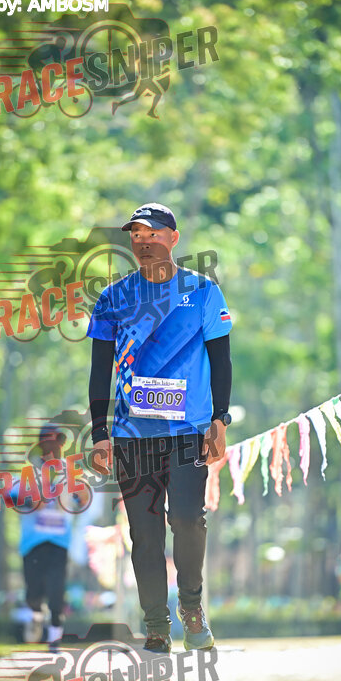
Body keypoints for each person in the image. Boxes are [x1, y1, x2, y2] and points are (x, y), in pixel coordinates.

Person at [87, 202, 232, 653]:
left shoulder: (203, 292)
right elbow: (99, 370)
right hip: (133, 436)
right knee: (145, 535)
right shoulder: (113, 297)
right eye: (136, 235)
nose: (143, 242)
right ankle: (155, 624)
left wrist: (220, 419)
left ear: (173, 237)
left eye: (152, 233)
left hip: (189, 431)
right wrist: (100, 434)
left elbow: (221, 360)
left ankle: (191, 606)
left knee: (188, 518)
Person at [18, 424, 86, 645]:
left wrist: (79, 496)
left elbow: (82, 501)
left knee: (57, 590)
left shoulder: (69, 472)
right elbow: (14, 499)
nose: (55, 446)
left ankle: (55, 633)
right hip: (33, 542)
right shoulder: (29, 471)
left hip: (59, 541)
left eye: (59, 441)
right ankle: (36, 616)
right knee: (34, 591)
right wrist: (32, 501)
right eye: (50, 441)